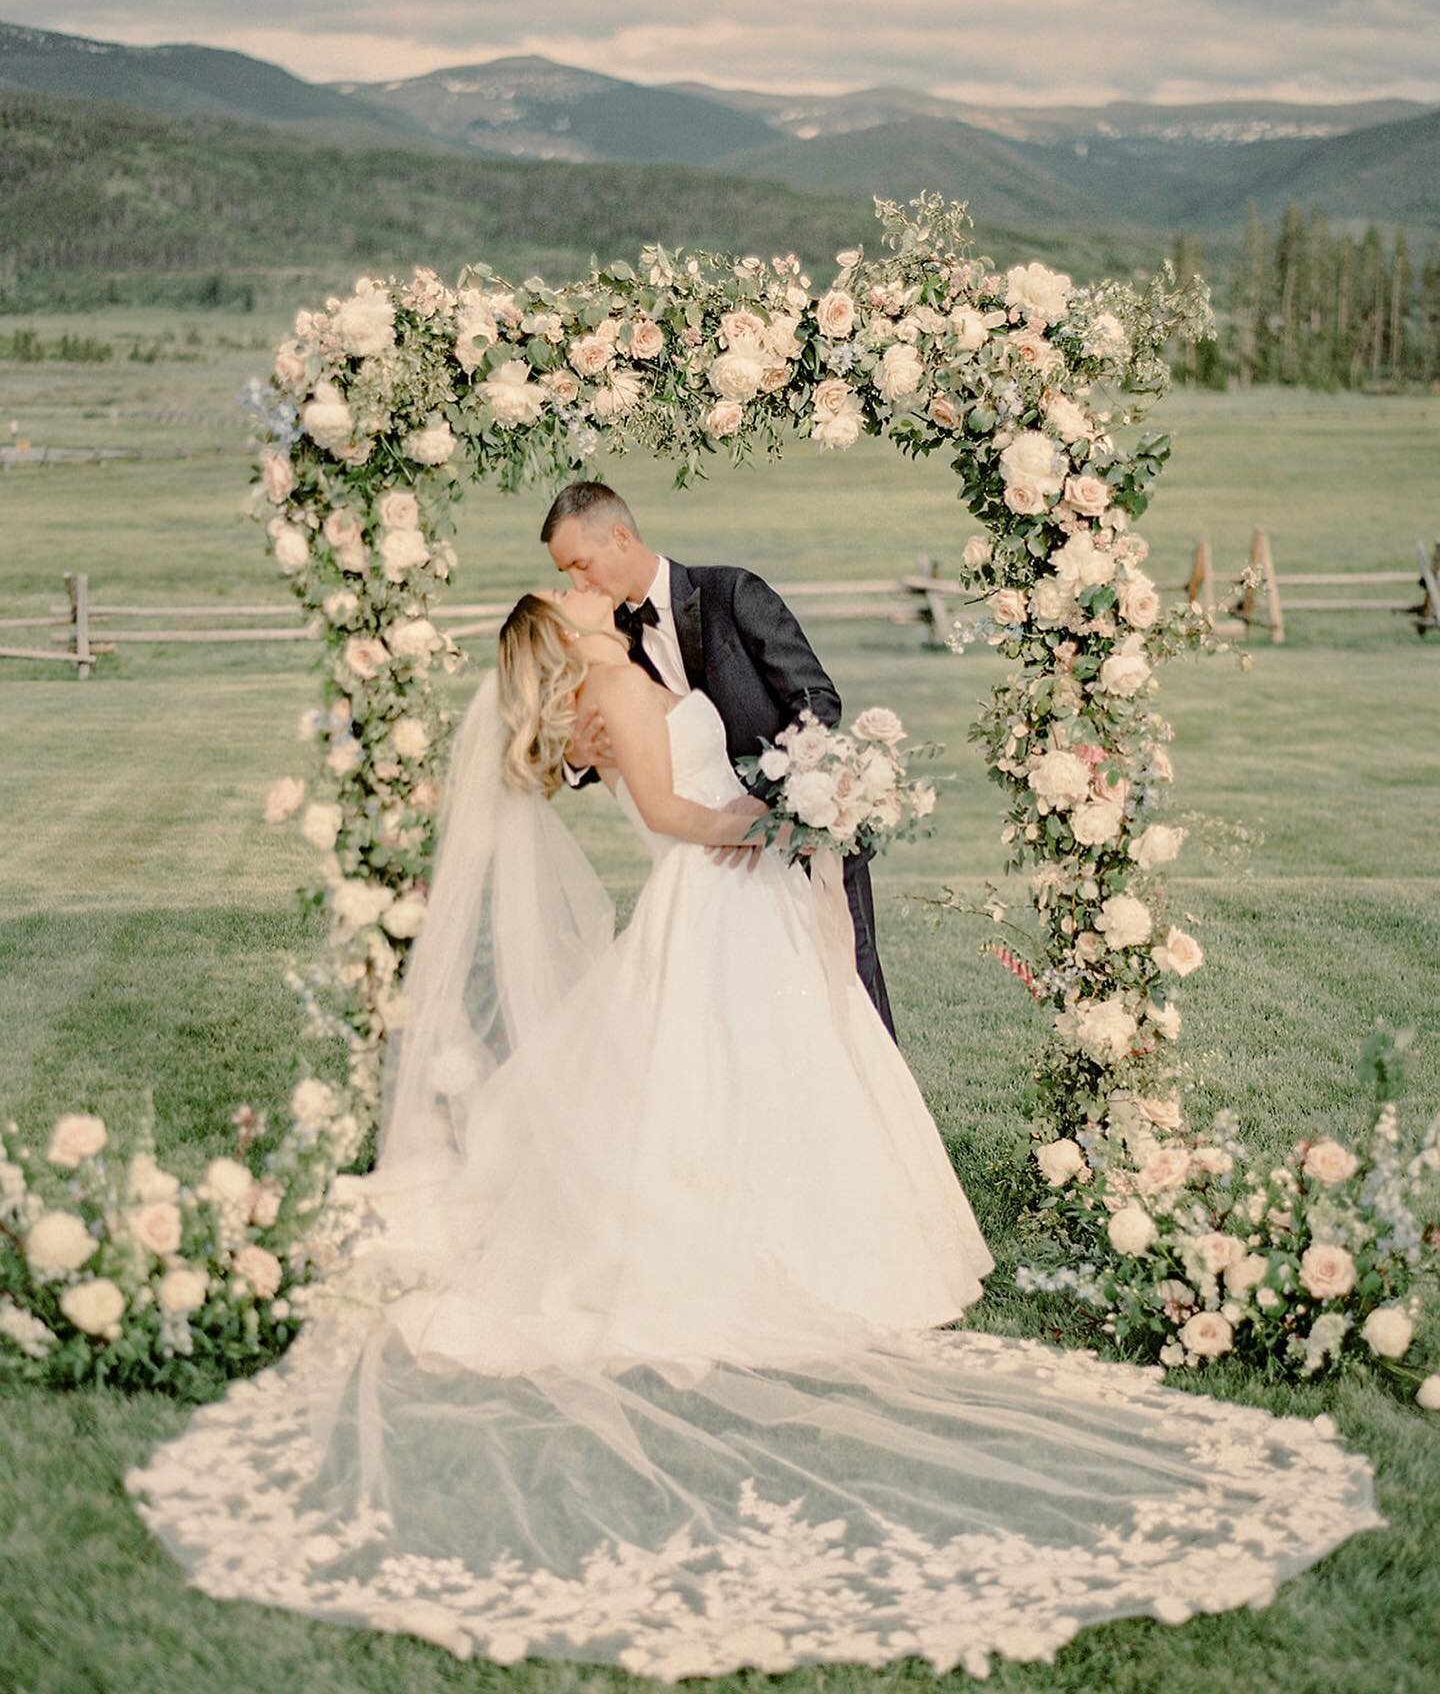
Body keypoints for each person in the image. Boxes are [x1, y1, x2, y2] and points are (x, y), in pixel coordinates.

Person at [128, 588, 1381, 1680]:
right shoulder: (613, 699)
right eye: (562, 602)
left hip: (748, 892)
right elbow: (675, 819)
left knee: (787, 1057)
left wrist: (806, 802)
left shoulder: (639, 672)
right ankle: (756, 1237)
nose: (580, 597)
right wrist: (787, 824)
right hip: (713, 888)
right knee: (722, 1066)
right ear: (555, 645)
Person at [544, 478, 897, 1038]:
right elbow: (615, 746)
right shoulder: (607, 643)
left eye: (580, 564)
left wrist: (774, 802)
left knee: (848, 984)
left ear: (619, 536)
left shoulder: (731, 592)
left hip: (799, 829)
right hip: (714, 863)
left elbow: (815, 701)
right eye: (566, 573)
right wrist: (578, 759)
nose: (575, 583)